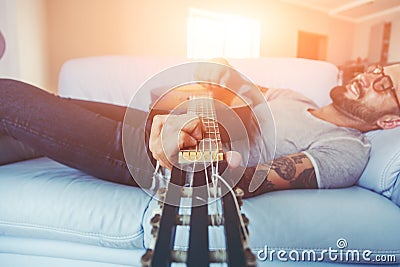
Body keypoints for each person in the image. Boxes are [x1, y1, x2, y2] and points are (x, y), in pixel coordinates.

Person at [0, 59, 399, 198]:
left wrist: (191, 156)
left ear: (391, 122)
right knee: (25, 126)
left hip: (160, 157)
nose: (371, 77)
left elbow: (252, 179)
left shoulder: (348, 149)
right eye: (377, 71)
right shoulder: (295, 97)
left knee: (8, 99)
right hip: (155, 118)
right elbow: (223, 83)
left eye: (386, 85)